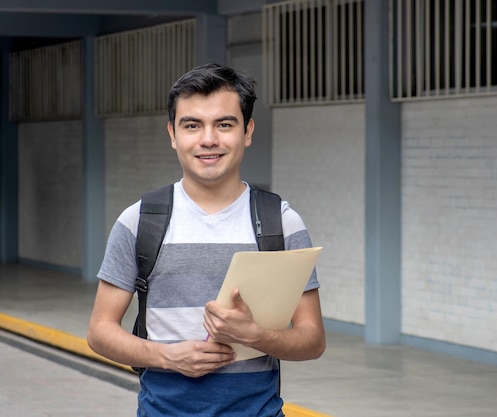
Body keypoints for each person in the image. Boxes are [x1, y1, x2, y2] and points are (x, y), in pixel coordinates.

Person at [87, 62, 326, 417]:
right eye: (192, 125)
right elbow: (100, 331)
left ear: (247, 131)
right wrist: (168, 356)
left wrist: (254, 335)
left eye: (224, 124)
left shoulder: (281, 222)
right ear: (172, 134)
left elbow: (312, 340)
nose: (208, 139)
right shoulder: (139, 221)